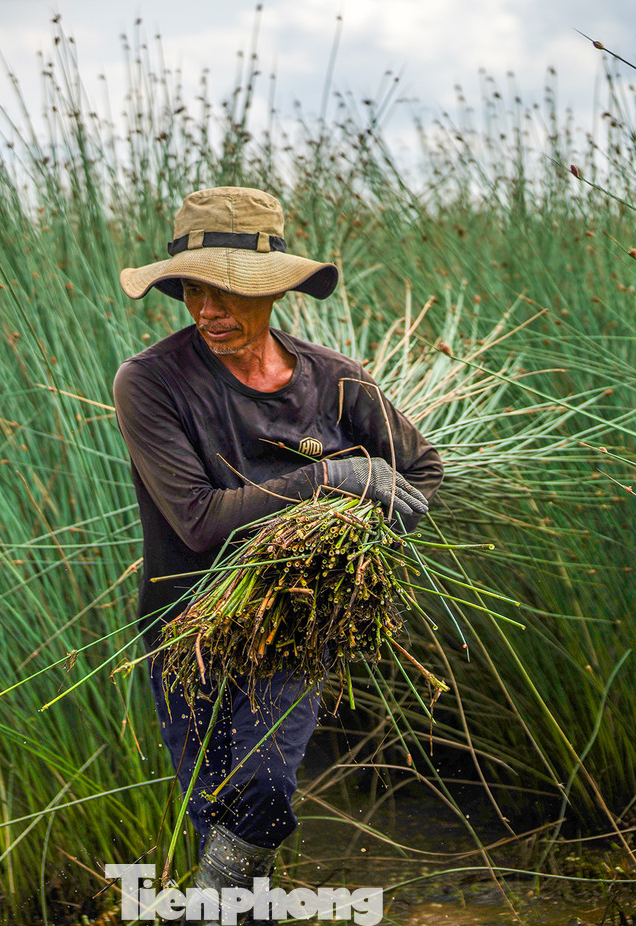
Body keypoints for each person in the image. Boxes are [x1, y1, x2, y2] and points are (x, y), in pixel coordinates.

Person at [113, 186, 443, 919]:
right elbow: (199, 524)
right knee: (216, 808)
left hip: (294, 622)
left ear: (273, 290)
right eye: (192, 290)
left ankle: (214, 908)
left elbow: (420, 473)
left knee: (261, 788)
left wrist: (360, 537)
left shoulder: (333, 377)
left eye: (228, 292)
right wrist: (332, 475)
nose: (207, 310)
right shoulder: (152, 382)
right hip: (187, 626)